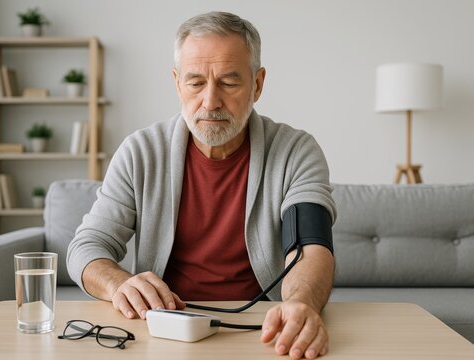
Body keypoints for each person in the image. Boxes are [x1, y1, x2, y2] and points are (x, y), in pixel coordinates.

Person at [67, 11, 336, 360]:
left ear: (257, 84)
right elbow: (86, 247)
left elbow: (310, 247)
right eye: (195, 83)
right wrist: (119, 283)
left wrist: (299, 305)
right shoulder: (140, 151)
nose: (210, 101)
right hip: (165, 329)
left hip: (266, 329)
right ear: (177, 83)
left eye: (228, 82)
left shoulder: (296, 151)